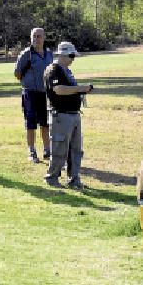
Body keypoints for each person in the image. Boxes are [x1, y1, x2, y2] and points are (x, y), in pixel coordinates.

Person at [43, 41, 93, 189]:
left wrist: (81, 91)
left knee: (76, 150)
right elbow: (58, 89)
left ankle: (74, 179)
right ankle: (51, 178)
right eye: (71, 55)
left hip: (73, 114)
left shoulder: (66, 70)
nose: (73, 59)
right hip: (61, 116)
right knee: (59, 149)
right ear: (63, 55)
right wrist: (80, 88)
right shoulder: (53, 70)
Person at [14, 27, 53, 163]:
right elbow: (17, 73)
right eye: (34, 36)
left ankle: (47, 149)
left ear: (44, 38)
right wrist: (28, 82)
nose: (36, 39)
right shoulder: (26, 54)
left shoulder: (49, 54)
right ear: (31, 38)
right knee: (30, 123)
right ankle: (31, 150)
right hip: (30, 93)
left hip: (45, 93)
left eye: (39, 36)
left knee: (45, 122)